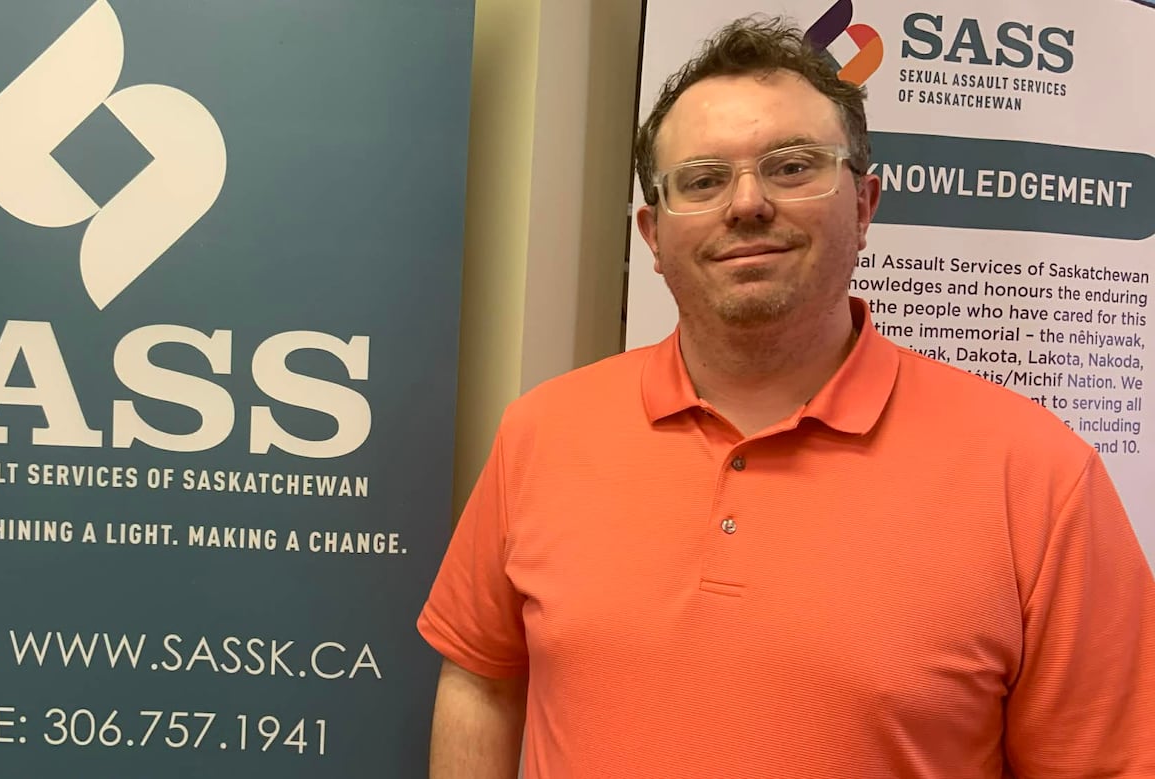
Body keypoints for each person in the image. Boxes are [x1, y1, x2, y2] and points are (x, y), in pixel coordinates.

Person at [417, 15, 1155, 779]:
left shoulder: (1039, 478)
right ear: (653, 235)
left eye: (793, 166)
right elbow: (482, 678)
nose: (746, 204)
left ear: (864, 204)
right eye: (702, 181)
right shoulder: (544, 431)